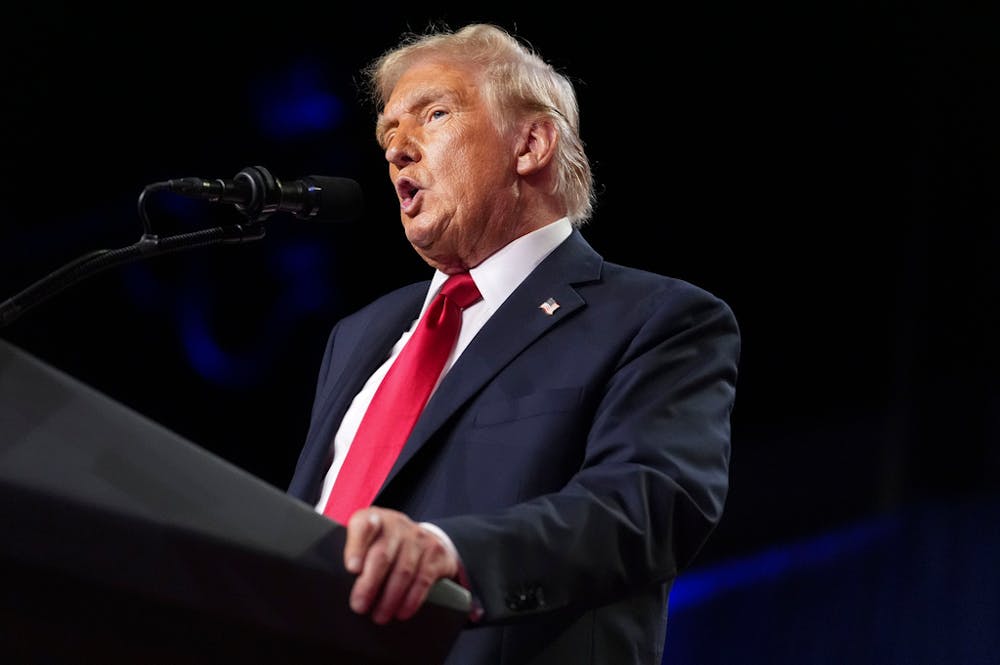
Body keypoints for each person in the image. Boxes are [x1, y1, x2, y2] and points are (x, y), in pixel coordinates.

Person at [286, 22, 740, 664]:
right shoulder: (358, 336)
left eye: (434, 114)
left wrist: (452, 554)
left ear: (530, 143)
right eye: (388, 134)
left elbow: (641, 508)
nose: (397, 152)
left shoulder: (656, 319)